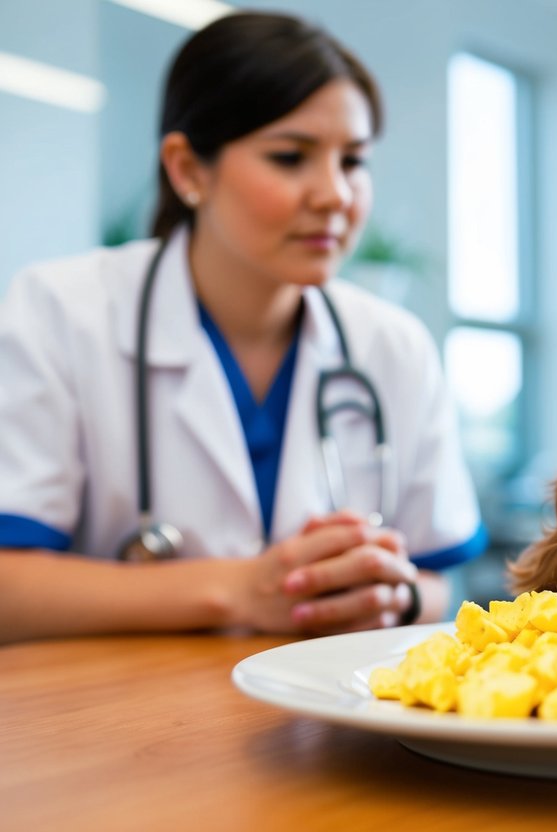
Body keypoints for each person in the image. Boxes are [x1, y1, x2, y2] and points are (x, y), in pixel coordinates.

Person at [0, 12, 486, 643]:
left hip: (320, 721)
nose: (336, 194)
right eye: (291, 157)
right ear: (187, 170)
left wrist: (379, 592)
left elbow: (437, 582)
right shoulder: (61, 311)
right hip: (115, 723)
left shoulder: (392, 346)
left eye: (354, 161)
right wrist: (238, 592)